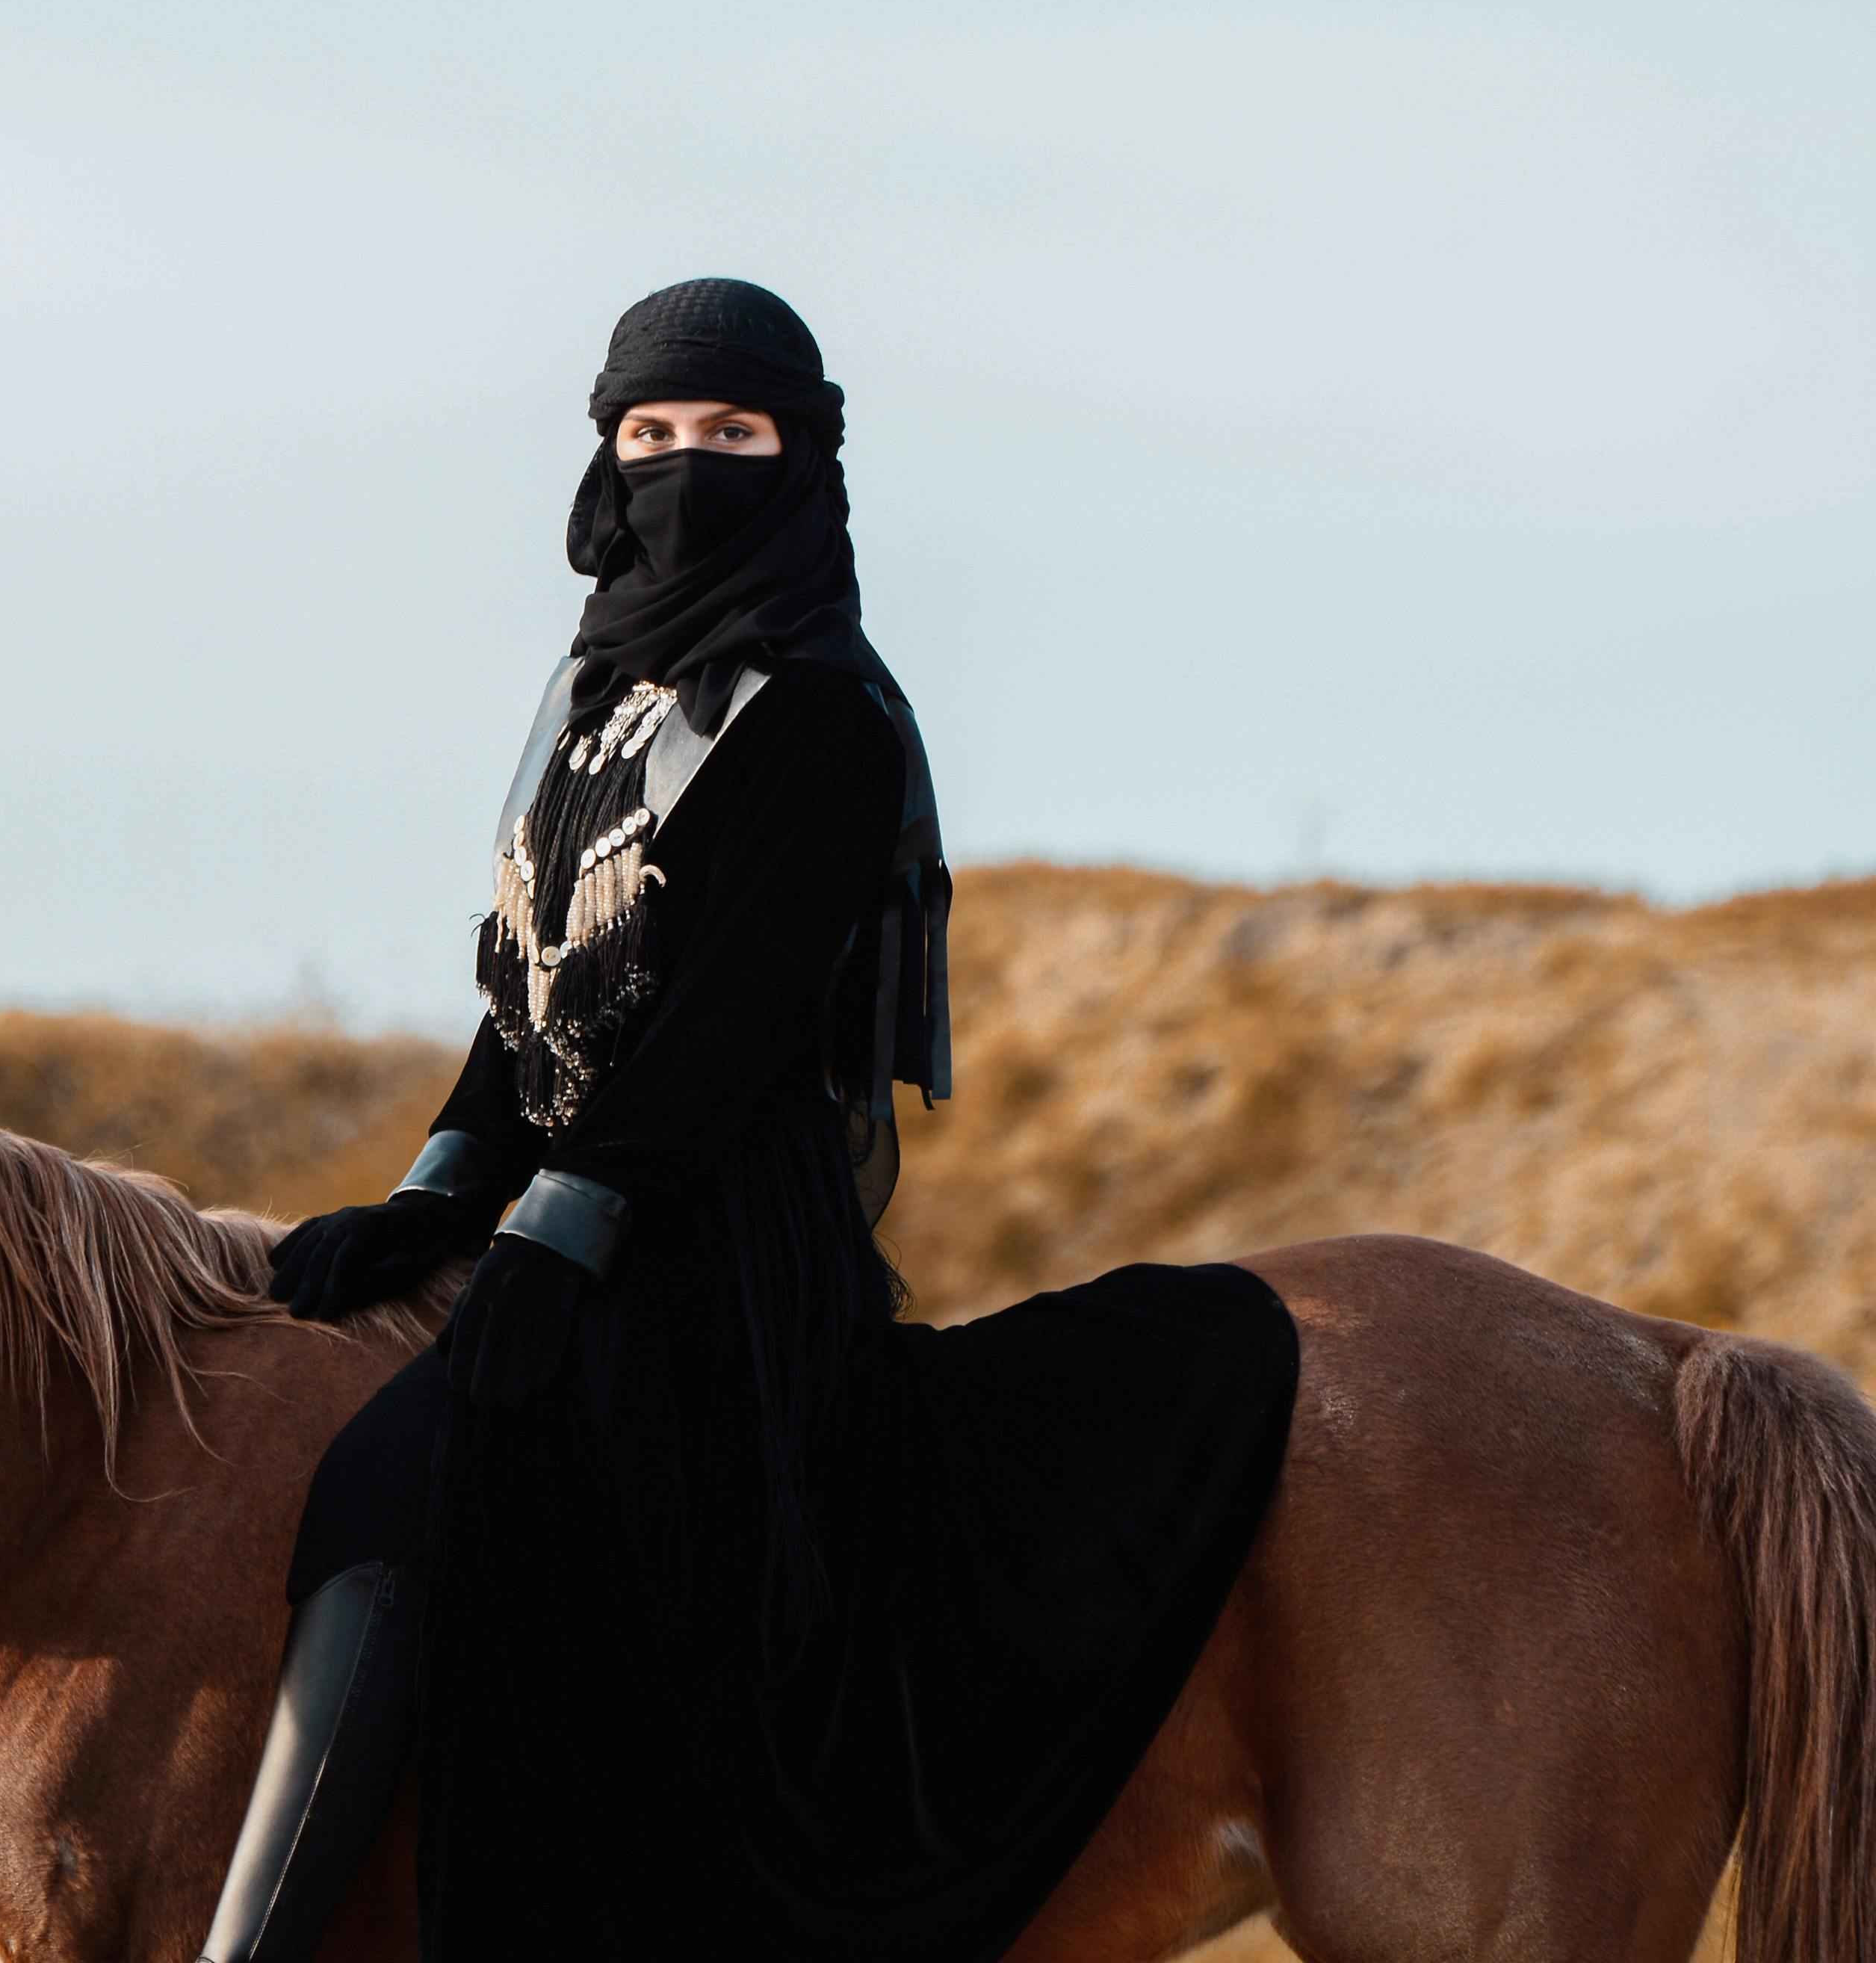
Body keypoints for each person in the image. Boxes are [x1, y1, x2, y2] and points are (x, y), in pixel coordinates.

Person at [196, 280, 1297, 1963]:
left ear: (802, 460)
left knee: (398, 1482)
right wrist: (434, 1196)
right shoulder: (589, 699)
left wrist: (552, 1244)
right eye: (649, 436)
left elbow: (722, 1029)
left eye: (730, 436)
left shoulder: (824, 712)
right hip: (586, 1199)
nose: (683, 468)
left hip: (719, 1233)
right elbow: (531, 996)